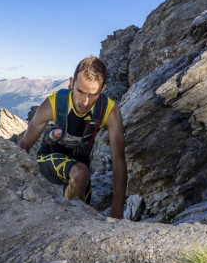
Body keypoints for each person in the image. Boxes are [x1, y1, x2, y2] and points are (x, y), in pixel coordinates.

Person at [19, 56, 128, 219]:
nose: (85, 101)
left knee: (84, 208)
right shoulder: (54, 103)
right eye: (80, 91)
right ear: (71, 83)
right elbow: (24, 146)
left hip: (79, 167)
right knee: (80, 173)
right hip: (48, 159)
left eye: (93, 94)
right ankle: (67, 224)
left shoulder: (109, 110)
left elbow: (119, 160)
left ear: (103, 89)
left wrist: (117, 212)